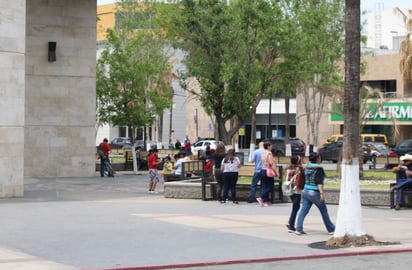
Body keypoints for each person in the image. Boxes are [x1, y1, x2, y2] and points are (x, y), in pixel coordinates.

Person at [296, 152, 335, 235]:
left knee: (303, 210)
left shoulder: (307, 167)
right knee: (323, 211)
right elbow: (319, 182)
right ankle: (331, 229)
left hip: (306, 191)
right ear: (317, 159)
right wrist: (321, 193)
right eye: (319, 158)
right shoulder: (319, 169)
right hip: (315, 192)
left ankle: (298, 228)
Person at [285, 155, 305, 233]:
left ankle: (290, 222)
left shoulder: (288, 168)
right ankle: (291, 225)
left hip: (288, 188)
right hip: (296, 189)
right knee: (296, 207)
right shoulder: (299, 169)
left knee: (295, 206)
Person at [257, 140, 279, 207]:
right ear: (268, 146)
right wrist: (276, 172)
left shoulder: (263, 153)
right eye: (271, 145)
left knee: (264, 185)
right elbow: (271, 163)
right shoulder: (269, 153)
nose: (272, 147)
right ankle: (262, 197)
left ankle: (265, 200)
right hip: (268, 171)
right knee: (270, 186)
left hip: (263, 170)